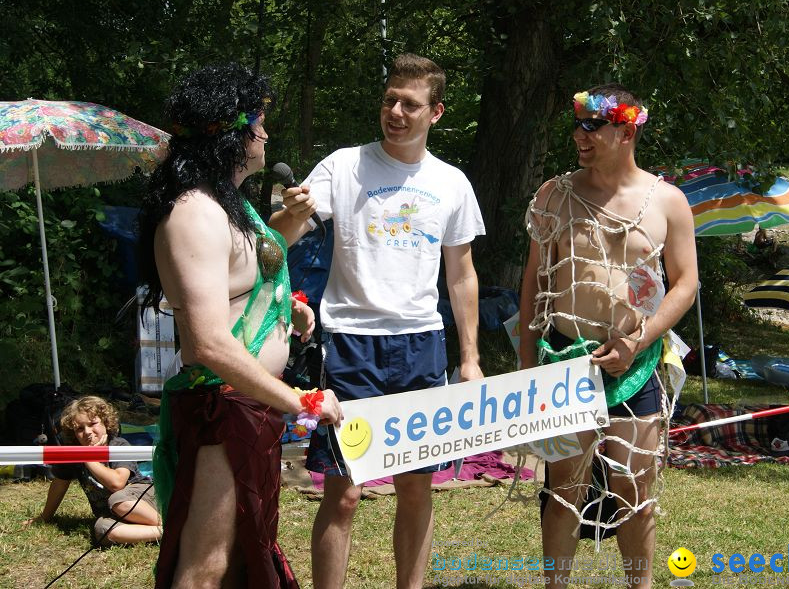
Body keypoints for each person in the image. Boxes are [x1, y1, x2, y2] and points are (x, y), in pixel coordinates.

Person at [269, 53, 485, 589]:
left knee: (416, 486)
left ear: (435, 113)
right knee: (344, 491)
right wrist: (293, 212)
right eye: (390, 99)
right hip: (349, 344)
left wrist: (471, 359)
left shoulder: (451, 182)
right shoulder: (343, 166)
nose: (395, 111)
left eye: (410, 104)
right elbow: (277, 238)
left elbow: (461, 276)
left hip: (420, 346)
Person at [136, 62, 341, 588]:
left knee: (240, 557)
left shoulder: (228, 205)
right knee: (208, 565)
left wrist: (286, 299)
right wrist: (301, 400)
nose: (266, 134)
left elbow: (251, 268)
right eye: (259, 123)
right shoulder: (194, 213)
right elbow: (206, 342)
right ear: (230, 134)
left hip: (241, 407)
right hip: (218, 408)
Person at [519, 83, 698, 589]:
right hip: (564, 363)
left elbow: (685, 284)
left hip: (635, 368)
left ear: (625, 131)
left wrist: (639, 341)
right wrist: (527, 365)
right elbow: (533, 282)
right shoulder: (555, 194)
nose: (580, 135)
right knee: (562, 493)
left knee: (633, 490)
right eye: (577, 125)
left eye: (591, 127)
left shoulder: (668, 201)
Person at [25, 396, 162, 545]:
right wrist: (45, 517)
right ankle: (163, 532)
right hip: (116, 513)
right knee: (102, 529)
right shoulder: (75, 454)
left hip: (142, 500)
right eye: (80, 429)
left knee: (117, 500)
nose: (88, 432)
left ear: (106, 422)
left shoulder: (118, 446)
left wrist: (89, 459)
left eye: (92, 424)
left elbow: (117, 483)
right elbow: (60, 483)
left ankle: (170, 524)